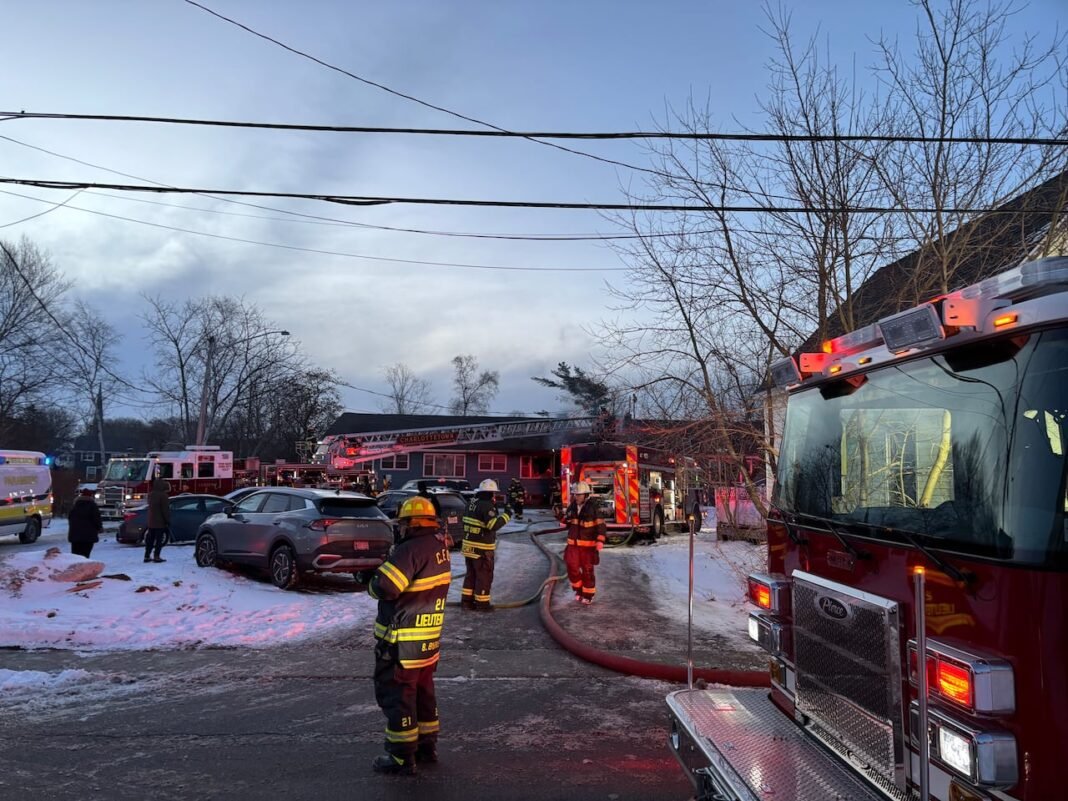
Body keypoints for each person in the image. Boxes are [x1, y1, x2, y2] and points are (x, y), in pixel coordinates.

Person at [367, 495, 452, 776]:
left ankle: (402, 756)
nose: (400, 529)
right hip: (427, 642)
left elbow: (387, 588)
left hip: (402, 642)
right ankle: (427, 746)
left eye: (402, 524)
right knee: (423, 693)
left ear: (410, 524)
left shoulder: (410, 549)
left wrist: (372, 580)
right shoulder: (438, 547)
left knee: (398, 696)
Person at [460, 479, 510, 611]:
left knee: (471, 575)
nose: (494, 496)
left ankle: (466, 602)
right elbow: (492, 525)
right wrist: (507, 515)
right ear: (490, 493)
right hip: (481, 548)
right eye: (493, 493)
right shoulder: (486, 505)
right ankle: (482, 604)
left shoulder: (471, 502)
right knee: (484, 576)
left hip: (468, 547)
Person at [564, 481, 606, 605]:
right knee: (572, 568)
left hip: (588, 546)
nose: (577, 497)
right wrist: (561, 518)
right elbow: (568, 520)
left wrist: (600, 540)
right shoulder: (572, 506)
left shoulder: (593, 507)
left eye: (580, 495)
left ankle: (588, 594)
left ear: (586, 495)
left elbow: (601, 525)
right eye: (575, 494)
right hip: (573, 545)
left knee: (587, 571)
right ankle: (578, 590)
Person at [67, 486, 102, 558]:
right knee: (85, 555)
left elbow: (70, 518)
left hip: (75, 536)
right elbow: (96, 519)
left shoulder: (75, 506)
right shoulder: (93, 506)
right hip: (88, 537)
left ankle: (75, 568)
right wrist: (100, 528)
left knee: (75, 556)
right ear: (91, 496)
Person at [144, 477, 170, 564]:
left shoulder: (150, 494)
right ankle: (157, 556)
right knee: (159, 540)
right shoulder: (163, 496)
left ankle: (147, 555)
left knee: (150, 540)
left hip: (151, 522)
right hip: (160, 522)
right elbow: (165, 510)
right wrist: (167, 520)